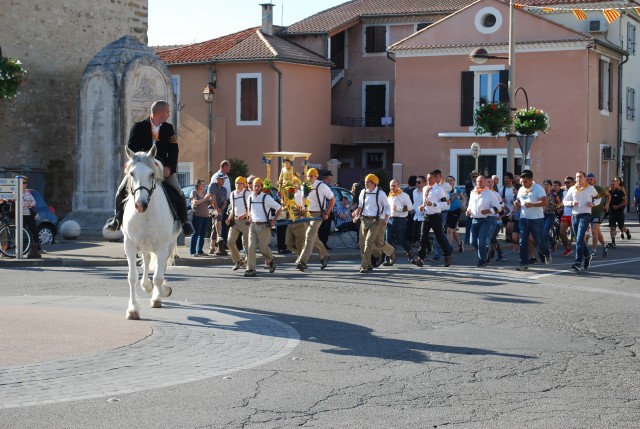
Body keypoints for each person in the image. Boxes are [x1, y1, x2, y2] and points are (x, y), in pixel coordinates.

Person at [104, 100, 194, 237]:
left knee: (178, 191)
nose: (169, 114)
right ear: (159, 112)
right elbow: (131, 147)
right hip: (141, 166)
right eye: (167, 112)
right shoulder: (138, 126)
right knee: (121, 189)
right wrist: (136, 161)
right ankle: (117, 219)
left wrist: (170, 167)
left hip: (162, 167)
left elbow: (174, 150)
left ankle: (185, 222)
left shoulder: (169, 128)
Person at [352, 173, 394, 273]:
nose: (366, 183)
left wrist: (385, 220)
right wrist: (356, 213)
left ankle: (364, 265)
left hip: (376, 221)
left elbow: (387, 208)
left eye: (368, 182)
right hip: (364, 220)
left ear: (374, 183)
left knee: (369, 242)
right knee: (362, 244)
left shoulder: (381, 194)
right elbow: (360, 205)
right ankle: (369, 263)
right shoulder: (363, 192)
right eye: (365, 181)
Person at [295, 168, 335, 272]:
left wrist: (327, 213)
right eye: (308, 176)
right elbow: (301, 199)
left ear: (316, 176)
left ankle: (302, 261)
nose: (309, 178)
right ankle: (325, 256)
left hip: (318, 214)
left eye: (312, 176)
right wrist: (301, 207)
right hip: (307, 214)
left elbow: (332, 199)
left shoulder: (322, 186)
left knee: (309, 236)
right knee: (313, 238)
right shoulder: (304, 186)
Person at [513, 170, 552, 271]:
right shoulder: (521, 189)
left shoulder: (538, 188)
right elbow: (518, 200)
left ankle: (546, 253)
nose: (523, 183)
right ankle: (523, 263)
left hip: (536, 219)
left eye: (525, 181)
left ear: (531, 180)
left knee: (539, 241)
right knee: (523, 241)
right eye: (522, 181)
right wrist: (516, 203)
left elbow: (545, 202)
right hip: (523, 218)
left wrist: (532, 205)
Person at [244, 177, 282, 277]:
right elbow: (249, 209)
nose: (256, 188)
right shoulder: (250, 197)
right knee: (250, 247)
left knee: (262, 248)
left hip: (264, 226)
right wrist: (249, 215)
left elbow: (279, 208)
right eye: (254, 186)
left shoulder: (267, 198)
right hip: (253, 225)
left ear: (261, 187)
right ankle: (251, 269)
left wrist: (273, 221)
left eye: (258, 186)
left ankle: (271, 259)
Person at [413, 172, 452, 267]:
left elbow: (444, 204)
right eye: (427, 178)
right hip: (426, 216)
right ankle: (420, 258)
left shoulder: (439, 190)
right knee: (422, 237)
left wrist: (433, 204)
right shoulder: (425, 188)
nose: (428, 180)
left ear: (435, 179)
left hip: (436, 216)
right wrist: (422, 206)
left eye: (430, 178)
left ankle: (447, 254)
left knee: (439, 237)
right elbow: (425, 202)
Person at [563, 171, 599, 272]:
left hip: (585, 214)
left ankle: (578, 262)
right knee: (579, 239)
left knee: (579, 238)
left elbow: (599, 198)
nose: (578, 179)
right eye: (577, 177)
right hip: (574, 215)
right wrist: (571, 203)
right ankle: (587, 255)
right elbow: (564, 201)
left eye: (580, 177)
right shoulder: (572, 188)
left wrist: (593, 204)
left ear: (584, 178)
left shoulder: (590, 188)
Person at [466, 175, 502, 267]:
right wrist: (468, 210)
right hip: (474, 219)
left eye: (482, 181)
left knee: (481, 241)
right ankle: (485, 250)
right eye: (478, 181)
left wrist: (488, 211)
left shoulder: (490, 194)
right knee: (472, 242)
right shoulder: (473, 192)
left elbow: (498, 208)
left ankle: (482, 260)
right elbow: (470, 205)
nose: (480, 183)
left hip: (486, 220)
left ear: (485, 182)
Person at [384, 179, 413, 265]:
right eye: (391, 186)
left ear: (398, 186)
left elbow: (410, 208)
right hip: (390, 220)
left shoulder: (404, 195)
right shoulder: (389, 196)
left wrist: (398, 208)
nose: (392, 187)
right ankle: (388, 259)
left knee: (400, 240)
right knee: (388, 240)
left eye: (394, 185)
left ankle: (409, 250)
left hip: (400, 220)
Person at [226, 176, 251, 270]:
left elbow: (251, 210)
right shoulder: (232, 194)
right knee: (230, 241)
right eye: (236, 183)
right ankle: (238, 261)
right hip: (235, 221)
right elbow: (233, 209)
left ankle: (249, 263)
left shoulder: (247, 194)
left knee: (246, 243)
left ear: (244, 185)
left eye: (239, 183)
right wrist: (229, 218)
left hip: (245, 222)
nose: (237, 185)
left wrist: (244, 215)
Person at [585, 173, 610, 257]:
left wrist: (607, 204)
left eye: (591, 179)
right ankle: (604, 246)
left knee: (594, 230)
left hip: (599, 212)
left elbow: (608, 195)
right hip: (589, 213)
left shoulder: (598, 188)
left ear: (594, 180)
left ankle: (594, 250)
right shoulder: (584, 189)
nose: (589, 181)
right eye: (587, 179)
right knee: (597, 232)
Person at [207, 171, 228, 255]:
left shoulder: (224, 189)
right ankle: (219, 236)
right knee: (218, 217)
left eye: (224, 179)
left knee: (214, 226)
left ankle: (212, 247)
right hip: (212, 208)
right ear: (217, 179)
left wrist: (221, 208)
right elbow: (213, 199)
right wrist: (216, 209)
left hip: (220, 209)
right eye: (221, 179)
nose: (223, 181)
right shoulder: (212, 185)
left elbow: (225, 202)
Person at [20, 178, 41, 258]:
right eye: (24, 183)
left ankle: (38, 249)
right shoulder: (16, 192)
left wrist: (27, 203)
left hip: (29, 215)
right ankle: (22, 249)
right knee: (21, 233)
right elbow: (19, 203)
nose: (25, 184)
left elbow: (34, 202)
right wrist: (27, 203)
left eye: (26, 182)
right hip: (21, 216)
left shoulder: (28, 193)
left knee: (35, 231)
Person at [189, 179, 211, 257]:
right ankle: (192, 251)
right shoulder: (194, 192)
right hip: (197, 216)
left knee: (203, 234)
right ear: (198, 185)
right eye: (202, 184)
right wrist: (205, 198)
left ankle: (200, 251)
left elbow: (208, 203)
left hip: (205, 216)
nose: (204, 186)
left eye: (204, 184)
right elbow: (195, 202)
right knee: (196, 233)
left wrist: (211, 199)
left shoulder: (204, 193)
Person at [608, 176, 631, 247]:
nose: (612, 186)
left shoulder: (620, 192)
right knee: (612, 227)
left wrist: (618, 206)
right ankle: (613, 242)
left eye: (613, 184)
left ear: (617, 184)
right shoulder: (608, 192)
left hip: (619, 212)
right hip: (612, 212)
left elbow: (625, 202)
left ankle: (626, 231)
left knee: (621, 227)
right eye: (611, 184)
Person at [445, 175, 464, 253]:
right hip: (447, 211)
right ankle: (460, 243)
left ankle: (448, 249)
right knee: (452, 229)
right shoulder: (444, 190)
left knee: (449, 230)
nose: (450, 182)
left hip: (456, 210)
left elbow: (463, 198)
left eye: (451, 180)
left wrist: (463, 205)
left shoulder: (457, 189)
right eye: (448, 180)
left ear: (454, 181)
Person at [317, 170, 334, 249]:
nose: (332, 177)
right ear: (327, 177)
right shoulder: (325, 186)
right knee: (324, 229)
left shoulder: (320, 184)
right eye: (330, 175)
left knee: (323, 229)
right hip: (326, 210)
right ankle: (323, 245)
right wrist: (328, 211)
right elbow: (330, 200)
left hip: (324, 210)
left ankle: (323, 244)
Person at [464, 170, 480, 246]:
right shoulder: (468, 184)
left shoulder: (481, 183)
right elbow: (468, 195)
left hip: (479, 205)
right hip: (471, 204)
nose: (474, 178)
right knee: (469, 222)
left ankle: (476, 238)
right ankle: (467, 238)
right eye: (473, 176)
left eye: (476, 176)